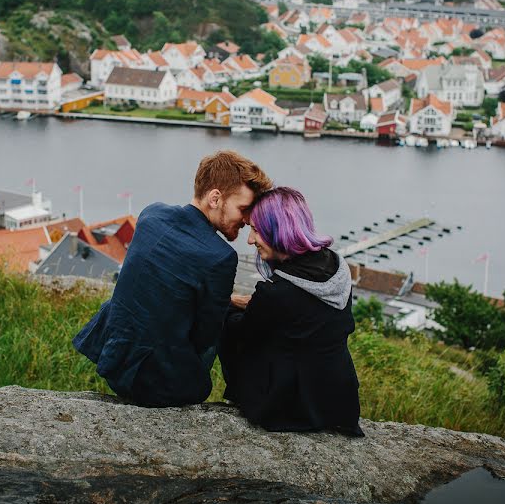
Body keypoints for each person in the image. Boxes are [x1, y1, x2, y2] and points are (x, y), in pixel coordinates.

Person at [73, 150, 272, 407]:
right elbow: (204, 337)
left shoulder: (151, 214)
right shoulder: (220, 256)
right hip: (157, 385)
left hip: (113, 359)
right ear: (215, 198)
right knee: (226, 327)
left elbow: (163, 284)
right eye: (243, 209)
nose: (247, 220)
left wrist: (226, 299)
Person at [219, 187, 364, 436]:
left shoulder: (276, 293)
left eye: (255, 230)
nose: (251, 240)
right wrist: (252, 304)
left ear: (278, 231)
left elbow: (243, 333)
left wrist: (222, 304)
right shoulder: (337, 265)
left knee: (226, 324)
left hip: (294, 406)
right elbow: (303, 315)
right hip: (339, 399)